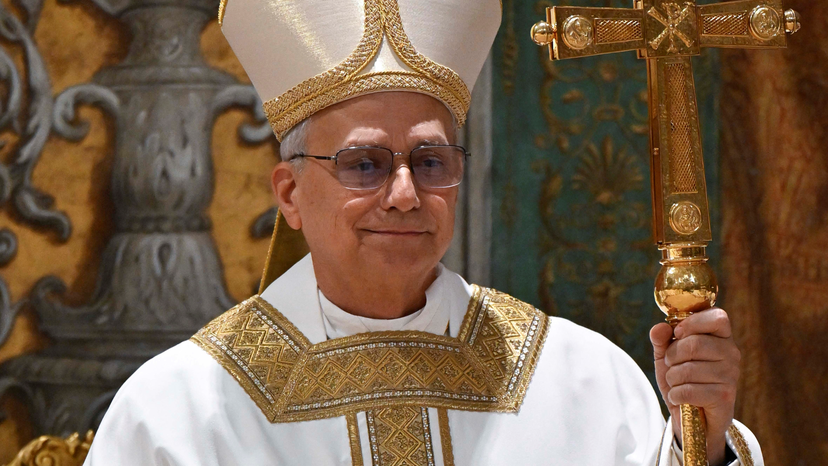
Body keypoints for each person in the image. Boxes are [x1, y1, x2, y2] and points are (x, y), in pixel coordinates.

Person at [84, 0, 762, 464]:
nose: (406, 195)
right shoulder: (181, 407)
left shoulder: (580, 377)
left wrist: (701, 441)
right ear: (289, 194)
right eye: (364, 164)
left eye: (431, 161)